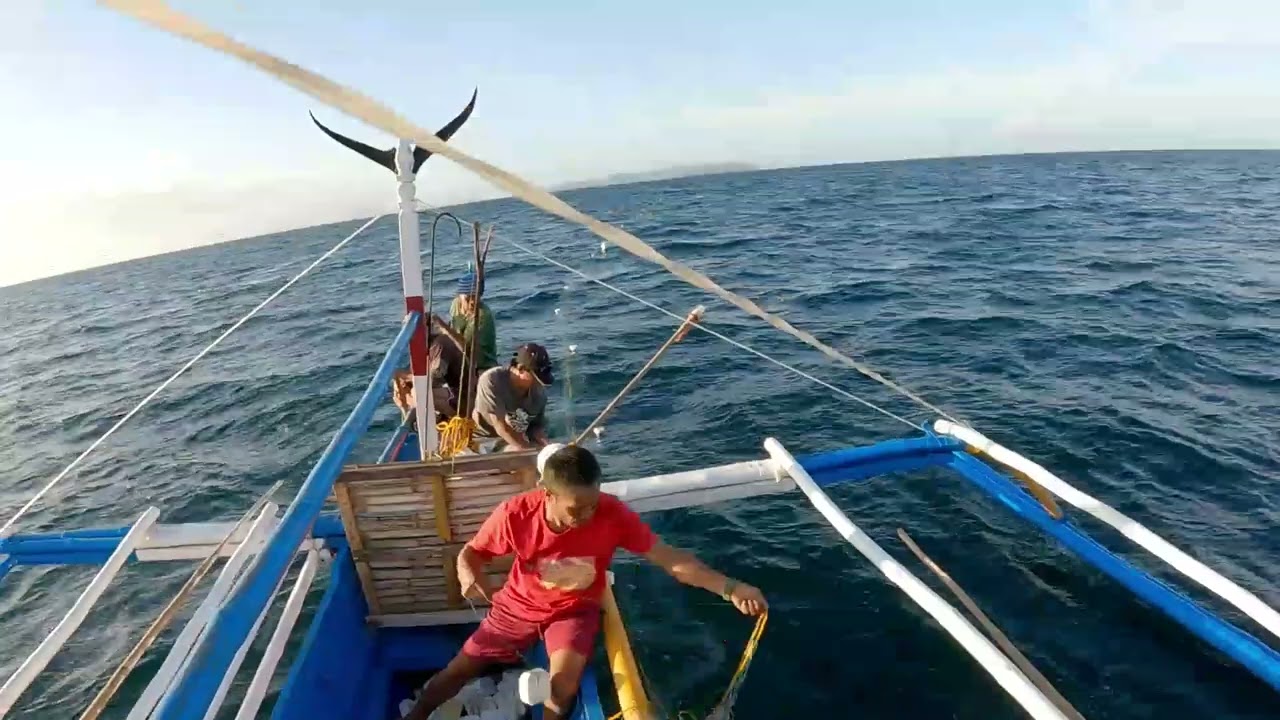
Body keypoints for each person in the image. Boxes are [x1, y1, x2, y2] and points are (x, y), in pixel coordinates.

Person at [405, 444, 767, 720]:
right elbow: (472, 552)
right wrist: (469, 575)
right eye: (576, 509)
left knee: (563, 685)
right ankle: (416, 714)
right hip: (517, 605)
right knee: (458, 670)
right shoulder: (515, 514)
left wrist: (730, 588)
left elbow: (669, 559)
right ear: (546, 494)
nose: (587, 515)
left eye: (592, 504)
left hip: (574, 610)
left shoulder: (612, 514)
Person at [472, 343, 553, 451]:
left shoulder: (539, 393)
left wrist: (548, 446)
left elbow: (535, 428)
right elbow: (500, 426)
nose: (538, 383)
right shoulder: (492, 380)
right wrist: (527, 450)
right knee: (518, 452)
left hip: (519, 437)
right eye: (535, 377)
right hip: (486, 439)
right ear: (520, 369)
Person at [390, 331, 467, 422]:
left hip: (466, 398)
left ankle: (412, 417)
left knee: (417, 394)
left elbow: (433, 381)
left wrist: (404, 377)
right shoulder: (424, 348)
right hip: (453, 392)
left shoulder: (440, 345)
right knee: (412, 392)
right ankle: (408, 414)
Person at [432, 269, 498, 371]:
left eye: (476, 297)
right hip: (460, 356)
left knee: (443, 342)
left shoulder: (482, 316)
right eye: (468, 298)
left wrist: (443, 326)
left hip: (481, 365)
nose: (472, 302)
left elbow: (466, 349)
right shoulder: (456, 304)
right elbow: (454, 330)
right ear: (459, 296)